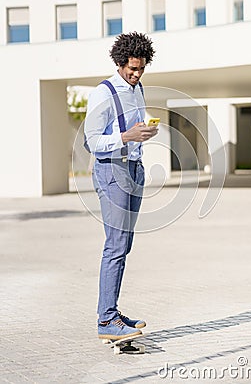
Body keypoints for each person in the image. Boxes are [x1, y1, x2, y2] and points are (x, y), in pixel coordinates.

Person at [84, 32, 158, 340]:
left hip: (134, 170)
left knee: (124, 245)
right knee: (115, 246)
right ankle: (106, 321)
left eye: (141, 69)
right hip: (111, 172)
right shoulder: (103, 94)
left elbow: (132, 127)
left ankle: (111, 310)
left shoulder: (137, 88)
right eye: (132, 69)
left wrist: (144, 132)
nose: (136, 74)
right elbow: (91, 142)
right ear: (119, 63)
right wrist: (126, 137)